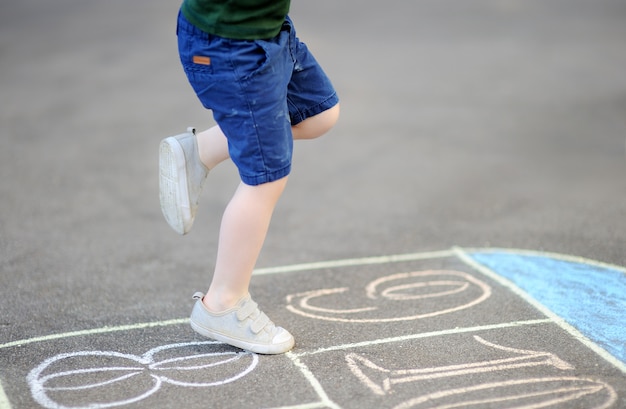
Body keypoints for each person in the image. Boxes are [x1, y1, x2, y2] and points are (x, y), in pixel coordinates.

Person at [159, 0, 340, 354]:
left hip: (268, 33)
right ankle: (223, 301)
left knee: (319, 114)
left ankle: (203, 150)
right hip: (232, 50)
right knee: (265, 177)